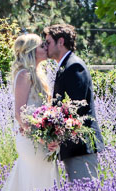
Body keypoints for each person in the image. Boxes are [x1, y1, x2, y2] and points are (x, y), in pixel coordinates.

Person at [0, 33, 60, 191]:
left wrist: (52, 134)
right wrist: (41, 139)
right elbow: (20, 113)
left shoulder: (39, 74)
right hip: (31, 139)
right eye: (42, 46)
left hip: (42, 138)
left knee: (44, 181)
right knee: (37, 183)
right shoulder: (24, 74)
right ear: (31, 51)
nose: (46, 48)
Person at [43, 24, 105, 181]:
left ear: (61, 42)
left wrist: (58, 136)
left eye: (48, 42)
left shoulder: (74, 66)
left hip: (81, 147)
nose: (45, 46)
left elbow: (77, 109)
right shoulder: (65, 66)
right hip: (73, 146)